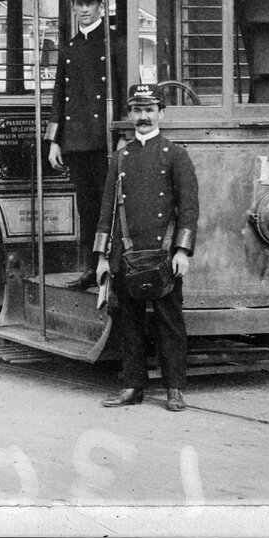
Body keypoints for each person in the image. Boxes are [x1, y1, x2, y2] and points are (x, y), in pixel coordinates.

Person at [94, 83, 200, 413]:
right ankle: (132, 386)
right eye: (137, 110)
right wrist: (101, 258)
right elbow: (107, 209)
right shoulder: (121, 158)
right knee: (129, 323)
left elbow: (189, 207)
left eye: (149, 110)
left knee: (170, 322)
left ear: (161, 114)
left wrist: (182, 251)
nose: (143, 117)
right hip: (126, 253)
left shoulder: (176, 154)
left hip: (164, 255)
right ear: (130, 114)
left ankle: (174, 389)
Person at [45, 0, 128, 286]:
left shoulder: (115, 42)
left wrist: (123, 134)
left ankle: (113, 266)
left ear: (100, 6)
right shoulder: (69, 47)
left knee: (111, 206)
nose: (83, 10)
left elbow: (124, 90)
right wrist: (54, 140)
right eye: (78, 4)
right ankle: (91, 267)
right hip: (77, 142)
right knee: (87, 207)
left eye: (89, 4)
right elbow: (59, 94)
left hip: (106, 140)